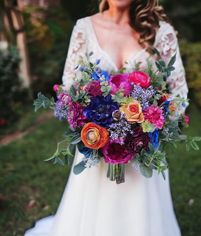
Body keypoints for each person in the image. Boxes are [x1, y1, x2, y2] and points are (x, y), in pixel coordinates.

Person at [25, 0, 188, 235]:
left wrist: (146, 126)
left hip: (144, 151)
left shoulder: (161, 32)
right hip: (96, 147)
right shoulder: (84, 28)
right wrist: (96, 125)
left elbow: (179, 95)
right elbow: (69, 89)